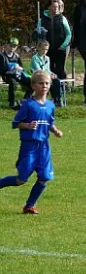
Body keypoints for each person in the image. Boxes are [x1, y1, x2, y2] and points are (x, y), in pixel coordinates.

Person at [0, 70, 63, 215]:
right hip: (29, 146)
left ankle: (29, 205)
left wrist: (55, 131)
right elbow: (15, 123)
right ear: (33, 85)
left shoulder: (50, 105)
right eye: (41, 83)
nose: (44, 86)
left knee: (44, 177)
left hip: (44, 147)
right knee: (21, 180)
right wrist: (27, 126)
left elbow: (49, 122)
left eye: (47, 83)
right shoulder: (28, 105)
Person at [37, 0, 71, 81]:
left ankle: (61, 89)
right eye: (54, 7)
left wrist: (63, 45)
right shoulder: (42, 20)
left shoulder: (62, 18)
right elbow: (38, 35)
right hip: (47, 50)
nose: (56, 9)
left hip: (60, 49)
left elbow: (69, 34)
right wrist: (41, 45)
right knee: (48, 69)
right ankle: (49, 88)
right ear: (49, 8)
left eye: (57, 7)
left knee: (60, 70)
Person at [0, 37, 32, 110]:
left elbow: (21, 67)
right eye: (10, 45)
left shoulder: (17, 56)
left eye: (14, 46)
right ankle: (12, 102)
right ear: (6, 45)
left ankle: (25, 100)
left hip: (17, 74)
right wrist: (10, 69)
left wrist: (19, 68)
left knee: (31, 82)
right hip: (7, 75)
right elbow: (1, 70)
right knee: (13, 82)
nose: (12, 48)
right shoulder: (2, 56)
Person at [30, 40, 63, 106]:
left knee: (57, 81)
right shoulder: (35, 58)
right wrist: (48, 76)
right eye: (43, 49)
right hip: (37, 76)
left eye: (46, 49)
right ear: (38, 48)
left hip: (46, 76)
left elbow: (48, 70)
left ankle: (57, 99)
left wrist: (52, 74)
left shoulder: (47, 58)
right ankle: (52, 99)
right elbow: (38, 70)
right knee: (49, 81)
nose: (45, 51)